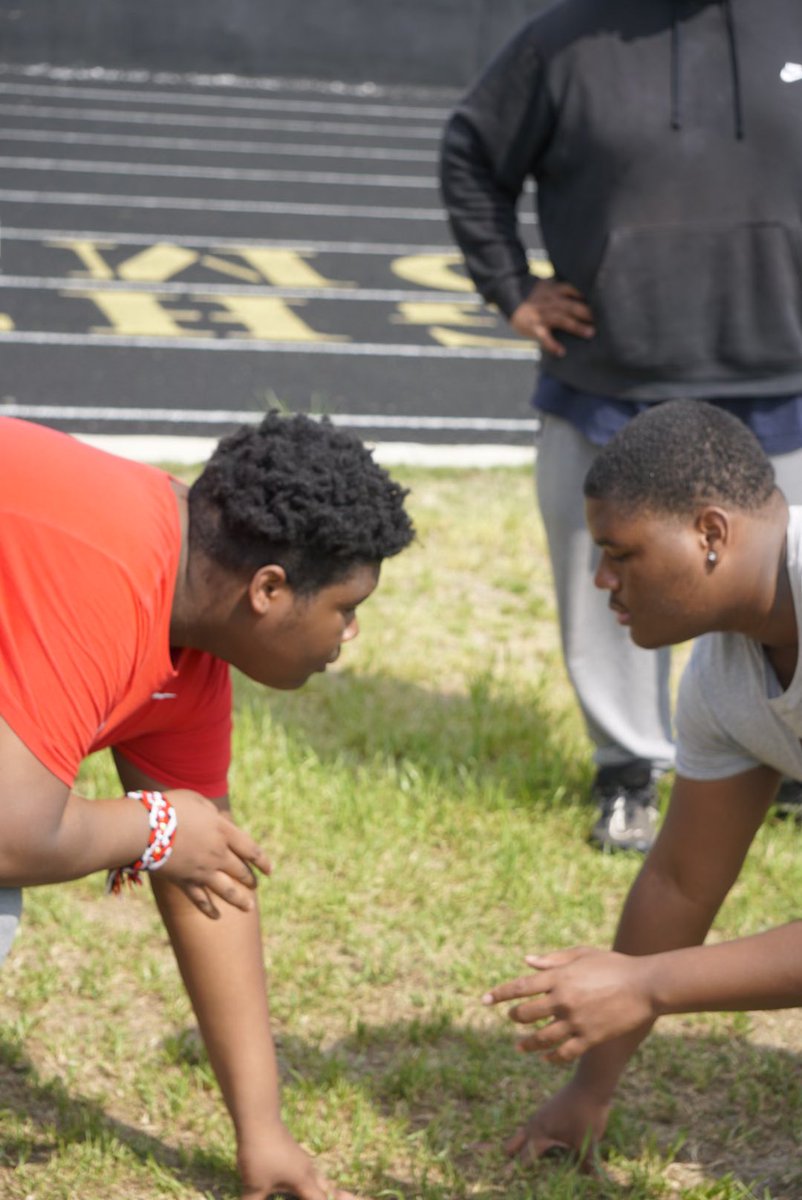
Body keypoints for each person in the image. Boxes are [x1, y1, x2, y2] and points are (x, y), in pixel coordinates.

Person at [0, 412, 414, 1200]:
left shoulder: (188, 644)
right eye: (347, 607)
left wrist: (261, 1132)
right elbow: (8, 837)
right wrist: (156, 826)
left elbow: (210, 876)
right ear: (269, 589)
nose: (352, 634)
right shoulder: (112, 575)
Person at [440, 0, 802, 851]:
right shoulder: (565, 38)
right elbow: (471, 154)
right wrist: (511, 285)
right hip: (612, 379)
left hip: (788, 378)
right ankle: (629, 770)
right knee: (615, 588)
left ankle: (787, 759)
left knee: (785, 589)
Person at [482, 399, 802, 1166]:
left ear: (710, 533)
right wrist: (589, 1089)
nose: (602, 580)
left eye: (620, 553)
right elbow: (682, 882)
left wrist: (649, 984)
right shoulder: (722, 681)